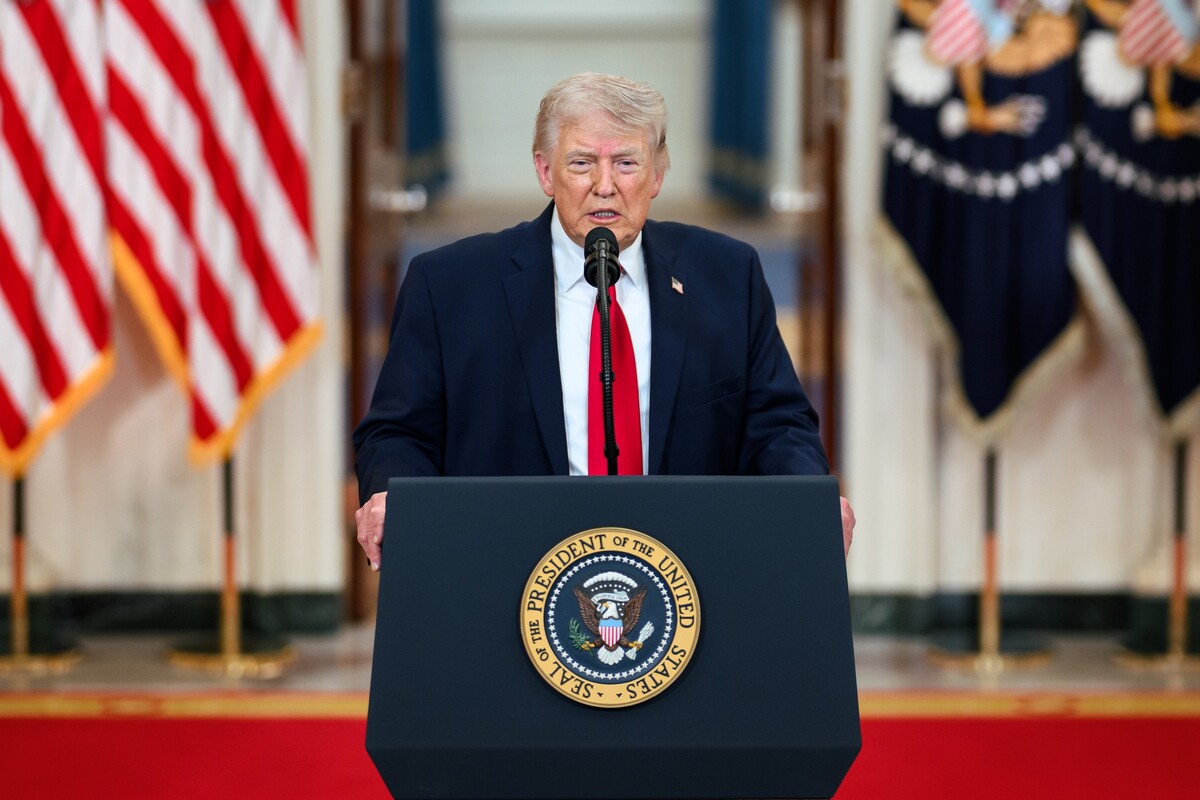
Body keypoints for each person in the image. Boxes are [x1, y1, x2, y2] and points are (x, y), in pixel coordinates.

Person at [354, 72, 855, 570]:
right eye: (581, 163)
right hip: (504, 568)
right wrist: (390, 495)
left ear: (657, 175)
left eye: (627, 163)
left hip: (688, 573)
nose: (605, 186)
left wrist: (808, 497)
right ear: (545, 172)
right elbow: (398, 433)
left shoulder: (726, 276)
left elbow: (778, 426)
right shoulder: (449, 286)